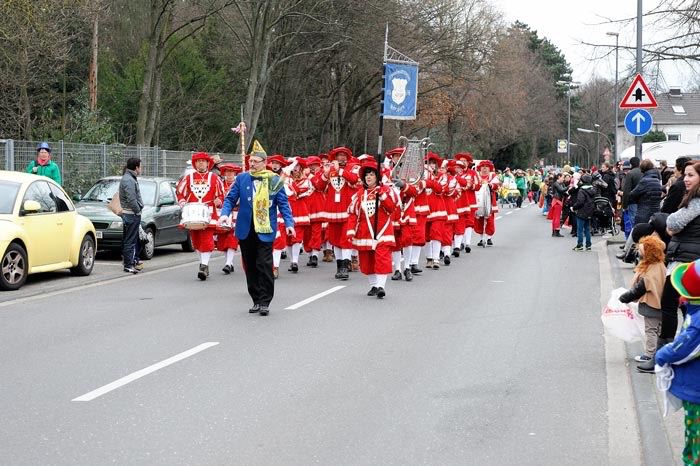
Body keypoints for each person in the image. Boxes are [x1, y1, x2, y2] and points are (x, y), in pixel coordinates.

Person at [638, 161, 700, 373]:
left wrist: (669, 223)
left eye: (691, 175)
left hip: (685, 265)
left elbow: (672, 224)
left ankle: (664, 357)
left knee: (672, 306)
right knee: (684, 309)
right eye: (686, 175)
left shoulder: (696, 202)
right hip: (687, 261)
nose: (686, 179)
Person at [219, 151, 295, 316]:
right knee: (250, 265)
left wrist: (289, 223)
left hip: (265, 228)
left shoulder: (273, 180)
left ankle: (265, 301)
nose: (251, 164)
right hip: (246, 228)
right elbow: (230, 199)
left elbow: (283, 203)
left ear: (264, 162)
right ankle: (255, 299)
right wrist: (224, 214)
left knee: (264, 263)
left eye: (255, 161)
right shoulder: (242, 178)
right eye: (250, 161)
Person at [655, 258, 700, 465]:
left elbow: (681, 347)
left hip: (696, 390)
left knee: (695, 435)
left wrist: (662, 354)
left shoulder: (697, 324)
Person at [346, 159, 397, 298]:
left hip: (382, 231)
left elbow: (391, 208)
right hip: (364, 232)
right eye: (366, 175)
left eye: (372, 174)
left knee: (382, 258)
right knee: (367, 260)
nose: (368, 177)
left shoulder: (386, 190)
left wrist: (383, 196)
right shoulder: (359, 194)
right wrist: (351, 230)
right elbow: (352, 213)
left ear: (377, 176)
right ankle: (373, 286)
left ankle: (381, 286)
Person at [176, 152, 225, 281]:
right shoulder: (188, 178)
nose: (201, 163)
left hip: (208, 213)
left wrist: (219, 201)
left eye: (203, 161)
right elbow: (180, 192)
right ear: (195, 163)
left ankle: (204, 265)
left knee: (207, 239)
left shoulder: (215, 178)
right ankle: (203, 263)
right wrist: (182, 202)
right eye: (198, 161)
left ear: (208, 163)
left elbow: (221, 194)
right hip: (192, 213)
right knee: (196, 241)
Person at [618, 235, 667, 363]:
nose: (639, 254)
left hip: (652, 304)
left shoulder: (651, 270)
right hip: (663, 303)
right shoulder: (660, 265)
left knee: (651, 330)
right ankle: (660, 352)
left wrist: (624, 298)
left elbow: (640, 288)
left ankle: (650, 354)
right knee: (660, 329)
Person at [215, 163, 242, 274]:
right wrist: (218, 202)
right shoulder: (220, 184)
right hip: (223, 214)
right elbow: (218, 197)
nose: (229, 174)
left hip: (236, 214)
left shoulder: (238, 184)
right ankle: (229, 263)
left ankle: (228, 263)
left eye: (232, 172)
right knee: (223, 238)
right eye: (227, 172)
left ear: (235, 173)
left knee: (232, 238)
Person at [119, 157, 143, 274]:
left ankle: (130, 263)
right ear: (136, 167)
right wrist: (138, 210)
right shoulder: (129, 180)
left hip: (130, 214)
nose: (141, 169)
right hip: (131, 214)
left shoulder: (129, 178)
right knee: (130, 240)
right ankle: (128, 265)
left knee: (130, 239)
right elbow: (131, 198)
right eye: (140, 166)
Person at [571, 174, 595, 251]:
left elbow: (580, 202)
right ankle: (588, 245)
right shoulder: (592, 189)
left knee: (580, 229)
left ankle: (580, 245)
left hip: (581, 211)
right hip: (590, 212)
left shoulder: (582, 190)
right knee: (587, 229)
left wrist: (573, 207)